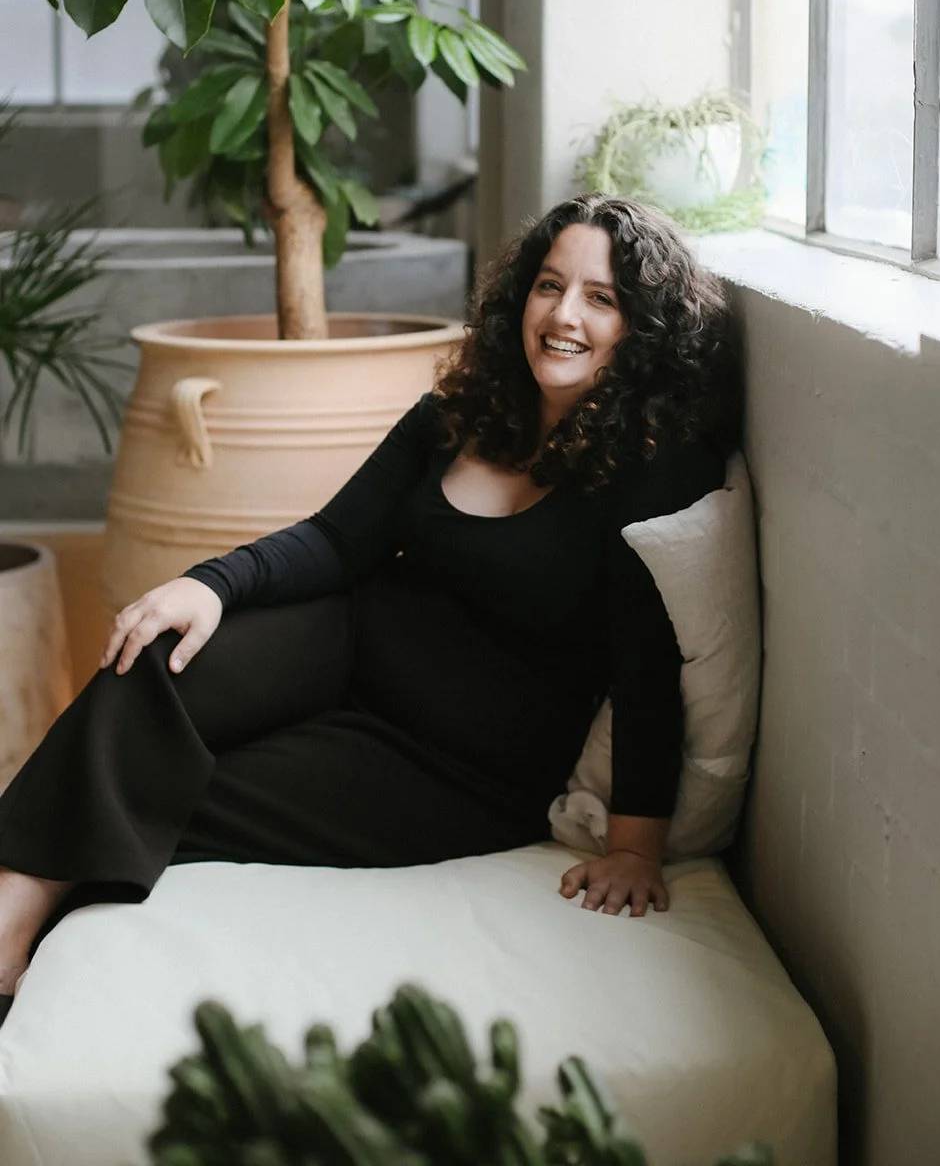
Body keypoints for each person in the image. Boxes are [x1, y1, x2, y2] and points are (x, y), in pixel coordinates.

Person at [0, 193, 742, 1026]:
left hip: (454, 765)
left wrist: (635, 849)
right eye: (547, 285)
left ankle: (17, 930)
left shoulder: (654, 467)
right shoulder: (462, 410)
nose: (563, 315)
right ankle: (12, 902)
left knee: (172, 796)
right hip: (345, 645)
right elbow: (334, 541)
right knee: (150, 655)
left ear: (642, 326)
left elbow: (646, 669)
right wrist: (207, 584)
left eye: (600, 299)